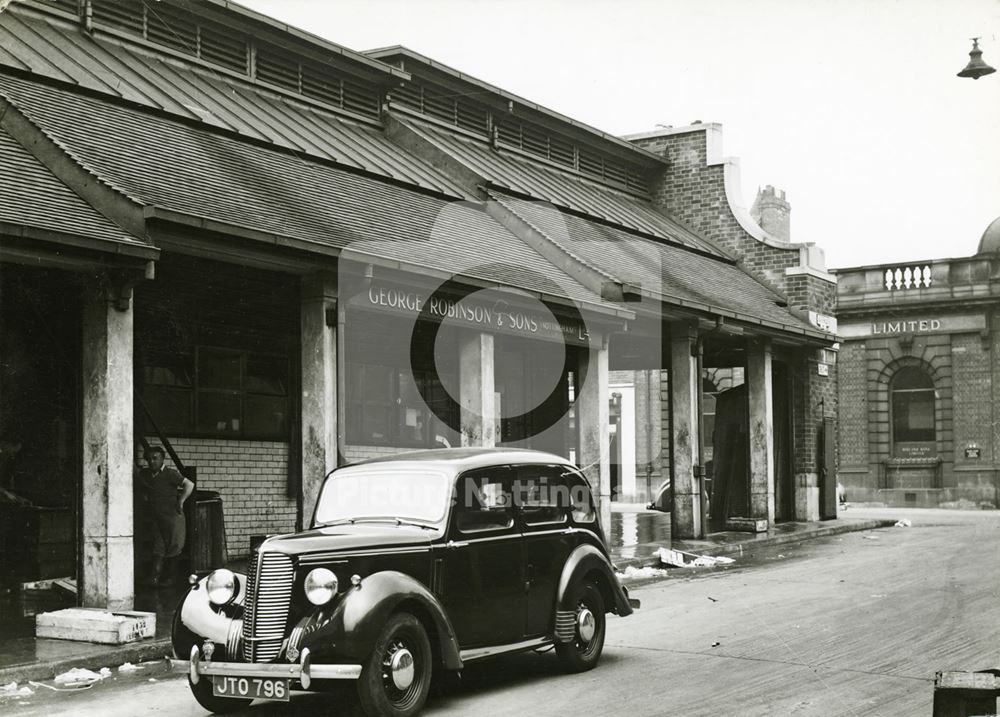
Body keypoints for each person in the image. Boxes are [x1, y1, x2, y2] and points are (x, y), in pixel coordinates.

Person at [137, 446, 194, 586]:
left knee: (174, 547)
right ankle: (154, 577)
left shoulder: (170, 474)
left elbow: (189, 484)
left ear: (162, 459)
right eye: (149, 459)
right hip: (157, 518)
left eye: (155, 458)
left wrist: (181, 501)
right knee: (158, 547)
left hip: (173, 517)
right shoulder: (146, 474)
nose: (152, 461)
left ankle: (170, 579)